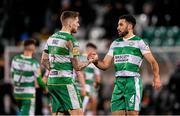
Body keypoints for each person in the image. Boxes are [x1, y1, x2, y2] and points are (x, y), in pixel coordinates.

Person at [89, 14, 161, 115]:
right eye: (118, 25)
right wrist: (96, 61)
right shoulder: (115, 43)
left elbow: (153, 62)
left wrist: (156, 77)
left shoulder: (139, 42)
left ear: (130, 26)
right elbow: (105, 65)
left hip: (132, 82)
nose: (118, 27)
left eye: (121, 25)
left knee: (132, 114)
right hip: (118, 83)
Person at [41, 10, 93, 115]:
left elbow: (43, 60)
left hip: (52, 82)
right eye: (77, 22)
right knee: (78, 113)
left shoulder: (51, 38)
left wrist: (55, 70)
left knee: (60, 113)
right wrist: (90, 61)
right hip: (65, 82)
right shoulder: (71, 41)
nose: (78, 24)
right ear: (70, 23)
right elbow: (77, 66)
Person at [11, 39, 47, 115]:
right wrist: (45, 89)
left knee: (22, 112)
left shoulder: (15, 59)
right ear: (33, 49)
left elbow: (13, 75)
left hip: (17, 93)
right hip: (28, 95)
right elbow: (39, 81)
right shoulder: (34, 63)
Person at [82, 43, 101, 115]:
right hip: (88, 87)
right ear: (90, 50)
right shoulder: (94, 61)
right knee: (91, 108)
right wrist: (96, 85)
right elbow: (98, 79)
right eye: (94, 51)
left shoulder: (78, 58)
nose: (95, 53)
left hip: (76, 86)